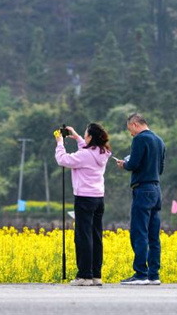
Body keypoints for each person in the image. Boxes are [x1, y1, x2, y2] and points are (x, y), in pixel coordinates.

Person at [54, 123, 112, 287]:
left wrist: (60, 143)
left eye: (86, 134)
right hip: (98, 199)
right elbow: (87, 151)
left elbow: (62, 160)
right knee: (96, 236)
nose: (84, 137)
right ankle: (96, 275)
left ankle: (85, 275)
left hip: (84, 199)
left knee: (83, 237)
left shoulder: (85, 155)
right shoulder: (102, 152)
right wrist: (77, 137)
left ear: (91, 137)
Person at [115, 112, 165, 285]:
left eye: (130, 129)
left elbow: (134, 164)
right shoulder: (159, 140)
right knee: (153, 235)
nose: (131, 134)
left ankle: (140, 274)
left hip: (142, 189)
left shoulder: (139, 139)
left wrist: (124, 164)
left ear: (135, 124)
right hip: (156, 189)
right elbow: (160, 168)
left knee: (139, 232)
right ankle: (153, 275)